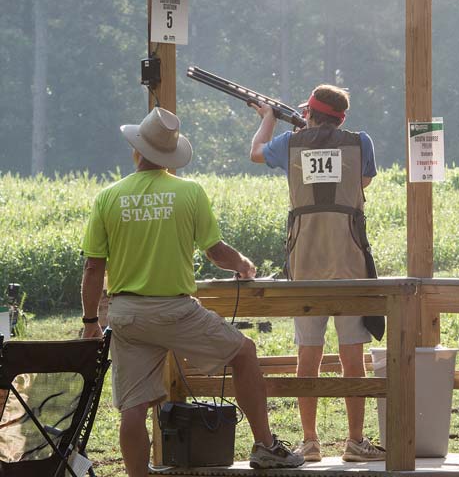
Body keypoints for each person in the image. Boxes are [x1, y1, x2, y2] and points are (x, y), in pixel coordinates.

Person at [80, 107, 304, 476]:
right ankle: (265, 444)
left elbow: (93, 266)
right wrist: (244, 266)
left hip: (127, 315)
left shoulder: (108, 197)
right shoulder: (188, 192)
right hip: (176, 311)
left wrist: (91, 320)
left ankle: (138, 475)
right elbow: (215, 251)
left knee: (133, 406)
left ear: (136, 151)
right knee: (244, 353)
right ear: (170, 155)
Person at [249, 85, 385, 462]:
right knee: (352, 357)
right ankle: (355, 442)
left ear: (309, 111)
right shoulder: (361, 142)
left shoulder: (291, 144)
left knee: (307, 355)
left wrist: (268, 119)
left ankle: (310, 442)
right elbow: (363, 182)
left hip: (305, 263)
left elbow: (256, 153)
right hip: (350, 262)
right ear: (341, 116)